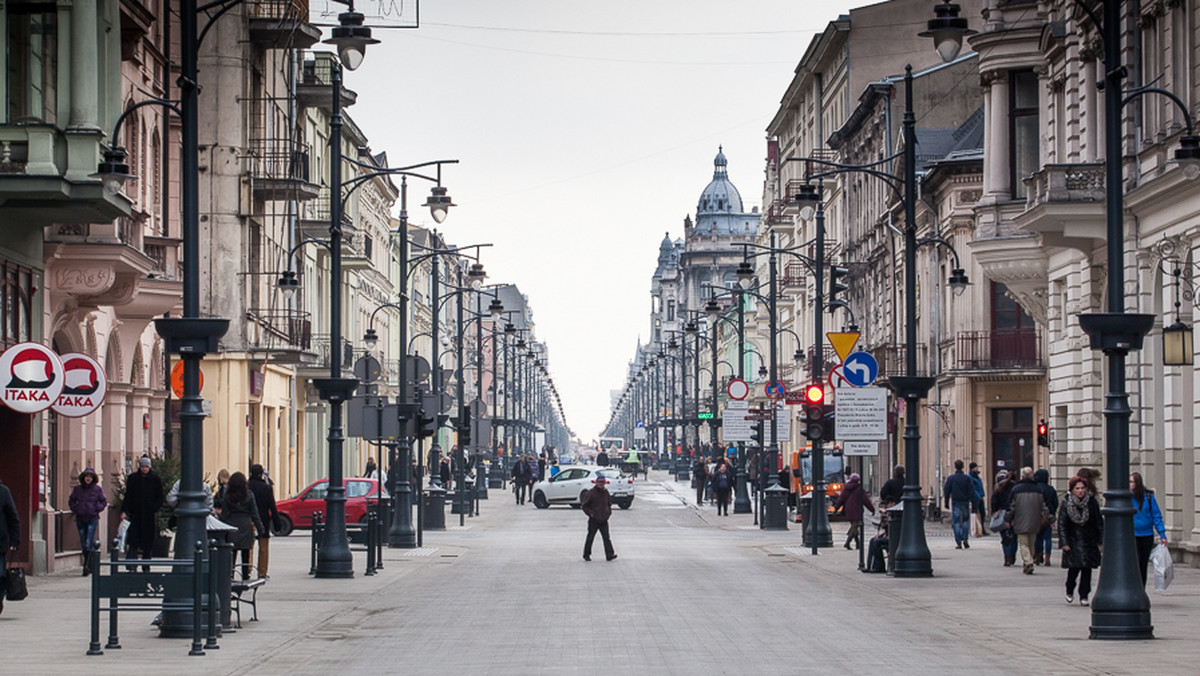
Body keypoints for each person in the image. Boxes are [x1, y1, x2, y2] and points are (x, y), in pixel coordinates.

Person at [1059, 475, 1102, 606]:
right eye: (1077, 488)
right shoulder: (1067, 503)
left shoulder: (1092, 502)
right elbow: (1062, 524)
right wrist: (1064, 542)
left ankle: (1084, 595)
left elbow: (1098, 521)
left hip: (1089, 541)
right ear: (1072, 490)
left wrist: (1100, 539)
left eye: (1083, 488)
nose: (1080, 491)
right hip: (1073, 541)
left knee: (1087, 570)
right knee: (1073, 569)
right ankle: (1069, 589)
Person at [120, 456, 164, 571]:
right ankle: (131, 565)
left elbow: (160, 497)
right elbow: (128, 496)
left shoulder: (155, 479)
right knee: (133, 541)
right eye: (143, 466)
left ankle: (146, 565)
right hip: (135, 514)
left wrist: (153, 508)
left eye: (146, 467)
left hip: (149, 516)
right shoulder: (133, 479)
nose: (144, 469)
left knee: (148, 542)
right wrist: (125, 511)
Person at [218, 471, 264, 581]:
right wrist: (260, 528)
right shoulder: (249, 495)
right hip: (246, 525)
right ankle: (245, 575)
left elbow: (224, 514)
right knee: (245, 553)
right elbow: (255, 513)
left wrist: (221, 528)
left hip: (232, 525)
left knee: (232, 553)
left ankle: (231, 575)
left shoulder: (227, 496)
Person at [1005, 467, 1049, 575]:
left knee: (1023, 544)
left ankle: (1028, 562)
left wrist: (1007, 519)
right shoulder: (1038, 489)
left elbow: (1011, 507)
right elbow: (1044, 506)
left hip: (1020, 521)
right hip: (1035, 521)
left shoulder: (1016, 489)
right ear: (1032, 477)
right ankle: (1027, 564)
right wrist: (1050, 518)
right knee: (1031, 544)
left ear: (1022, 476)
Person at [1130, 471, 1167, 587]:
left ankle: (1141, 589)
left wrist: (1162, 534)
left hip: (1146, 535)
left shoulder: (1148, 497)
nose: (1128, 484)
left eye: (1131, 482)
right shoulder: (1126, 497)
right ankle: (1133, 587)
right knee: (1133, 564)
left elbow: (1156, 516)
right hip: (1132, 535)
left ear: (1137, 483)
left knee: (1143, 564)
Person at [69, 467, 107, 575]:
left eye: (90, 477)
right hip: (80, 518)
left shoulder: (97, 489)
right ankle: (89, 563)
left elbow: (103, 501)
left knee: (88, 542)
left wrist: (96, 509)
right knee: (83, 543)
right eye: (87, 477)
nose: (88, 479)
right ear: (83, 478)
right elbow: (71, 500)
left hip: (92, 518)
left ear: (93, 478)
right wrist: (76, 509)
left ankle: (87, 565)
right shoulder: (78, 489)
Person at [248, 464, 280, 579]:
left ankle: (248, 567)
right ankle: (262, 572)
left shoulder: (247, 486)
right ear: (261, 474)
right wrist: (277, 525)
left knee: (249, 544)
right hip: (263, 519)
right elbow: (272, 506)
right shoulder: (266, 488)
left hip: (249, 519)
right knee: (264, 547)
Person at [833, 473, 875, 550]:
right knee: (854, 527)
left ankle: (858, 544)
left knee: (854, 526)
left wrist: (836, 508)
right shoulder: (860, 489)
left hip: (848, 510)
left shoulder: (846, 488)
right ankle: (847, 543)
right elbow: (866, 501)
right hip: (857, 511)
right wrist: (872, 509)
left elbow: (841, 499)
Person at [581, 474, 616, 562]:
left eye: (602, 482)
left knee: (606, 538)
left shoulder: (606, 492)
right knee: (590, 537)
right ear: (596, 482)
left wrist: (608, 513)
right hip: (594, 520)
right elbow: (585, 506)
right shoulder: (591, 492)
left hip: (604, 519)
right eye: (600, 482)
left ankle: (609, 555)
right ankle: (586, 554)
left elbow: (609, 504)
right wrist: (591, 514)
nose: (601, 484)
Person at [943, 459, 974, 549]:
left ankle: (958, 541)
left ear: (955, 467)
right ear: (963, 467)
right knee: (965, 521)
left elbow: (947, 490)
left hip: (955, 501)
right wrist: (974, 503)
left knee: (956, 522)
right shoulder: (967, 478)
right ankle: (965, 537)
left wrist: (946, 502)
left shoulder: (951, 478)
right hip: (965, 501)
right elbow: (972, 491)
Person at [0, 475, 20, 616]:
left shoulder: (3, 491)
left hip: (0, 542)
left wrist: (15, 541)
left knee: (0, 575)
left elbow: (13, 517)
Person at [992, 471, 1018, 566]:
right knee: (1014, 537)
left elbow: (994, 503)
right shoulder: (1015, 488)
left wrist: (995, 512)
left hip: (1002, 514)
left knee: (1005, 537)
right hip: (1014, 514)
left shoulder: (998, 488)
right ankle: (1012, 556)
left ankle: (1007, 557)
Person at [1033, 468, 1059, 566]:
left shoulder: (1035, 488)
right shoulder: (1050, 489)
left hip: (1036, 516)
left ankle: (1038, 556)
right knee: (1048, 538)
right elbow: (1055, 503)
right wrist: (1052, 513)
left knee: (1037, 537)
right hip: (1048, 517)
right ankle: (1048, 558)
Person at [968, 462, 988, 535]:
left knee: (982, 513)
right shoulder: (970, 477)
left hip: (980, 496)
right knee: (976, 513)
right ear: (972, 469)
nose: (977, 468)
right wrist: (977, 496)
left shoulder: (977, 476)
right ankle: (976, 529)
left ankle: (981, 528)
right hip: (976, 498)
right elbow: (973, 489)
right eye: (975, 467)